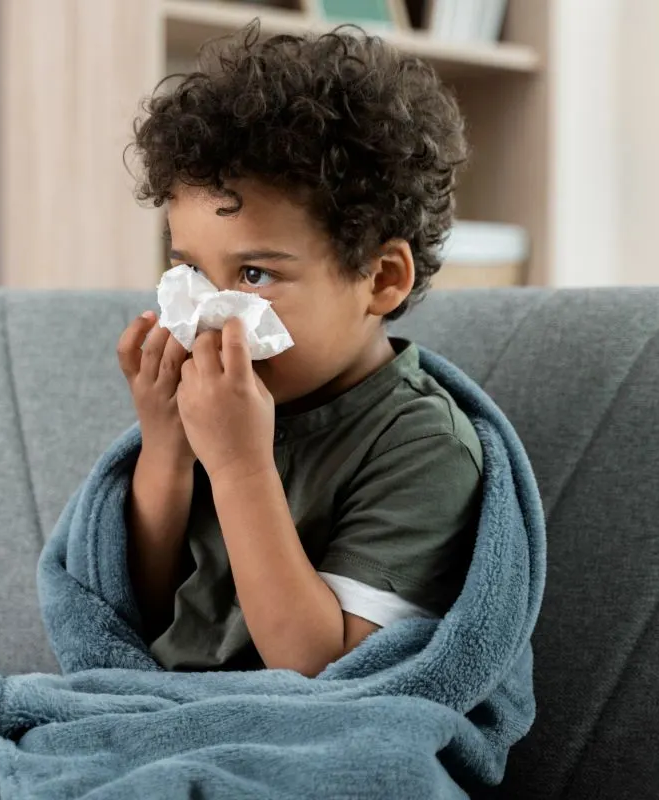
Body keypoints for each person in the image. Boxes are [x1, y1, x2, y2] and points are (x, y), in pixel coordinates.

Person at [117, 25, 481, 676]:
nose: (210, 315)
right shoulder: (221, 401)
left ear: (382, 279)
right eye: (193, 272)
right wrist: (166, 447)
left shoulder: (422, 445)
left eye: (255, 274)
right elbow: (138, 614)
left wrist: (240, 468)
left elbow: (327, 670)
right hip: (156, 702)